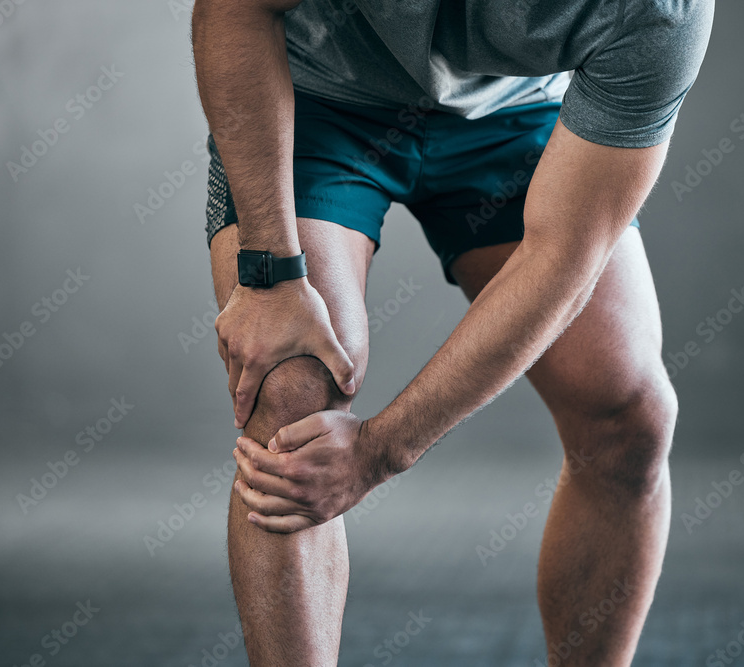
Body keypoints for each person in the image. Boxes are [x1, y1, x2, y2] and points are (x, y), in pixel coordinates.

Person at [191, 0, 713, 664]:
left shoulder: (662, 11)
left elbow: (561, 259)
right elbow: (234, 9)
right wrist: (269, 274)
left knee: (630, 415)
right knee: (291, 386)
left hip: (513, 114)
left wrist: (381, 451)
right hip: (319, 96)